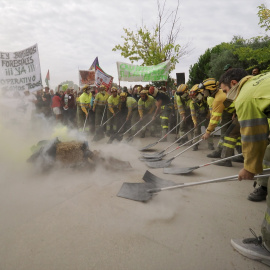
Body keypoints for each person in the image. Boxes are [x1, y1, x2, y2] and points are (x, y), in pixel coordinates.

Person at [219, 68, 270, 266]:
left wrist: (249, 168)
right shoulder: (260, 81)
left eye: (224, 90)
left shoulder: (246, 95)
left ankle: (267, 247)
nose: (224, 95)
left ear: (233, 84)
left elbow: (253, 135)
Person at [200, 78, 234, 158]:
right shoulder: (220, 93)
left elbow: (215, 118)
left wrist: (208, 132)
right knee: (229, 135)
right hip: (231, 113)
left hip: (231, 114)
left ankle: (224, 156)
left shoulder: (218, 99)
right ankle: (223, 152)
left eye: (204, 90)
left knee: (225, 135)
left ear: (210, 90)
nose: (202, 92)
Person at [188, 84, 214, 151]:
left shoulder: (206, 99)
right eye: (192, 96)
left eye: (194, 96)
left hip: (206, 116)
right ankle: (195, 144)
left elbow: (210, 107)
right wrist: (195, 122)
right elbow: (193, 113)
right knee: (196, 131)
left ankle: (210, 144)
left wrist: (209, 114)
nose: (193, 98)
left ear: (199, 94)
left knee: (209, 130)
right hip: (198, 117)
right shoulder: (192, 103)